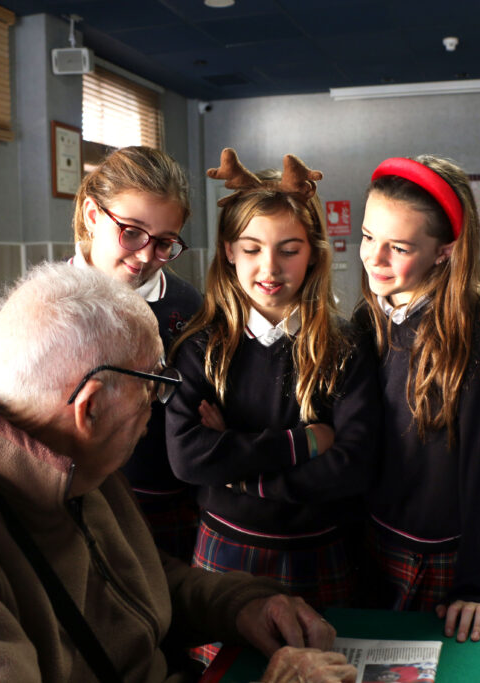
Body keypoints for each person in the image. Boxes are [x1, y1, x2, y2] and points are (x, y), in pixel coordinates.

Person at [0, 263, 355, 682]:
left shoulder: (62, 462)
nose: (156, 412)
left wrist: (245, 606)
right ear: (89, 406)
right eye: (154, 389)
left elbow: (136, 583)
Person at [166, 149, 380, 618]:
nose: (270, 268)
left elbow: (353, 466)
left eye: (290, 249)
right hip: (223, 556)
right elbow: (188, 457)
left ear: (313, 253)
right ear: (228, 252)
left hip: (320, 552)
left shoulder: (344, 345)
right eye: (252, 249)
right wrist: (306, 442)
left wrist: (236, 464)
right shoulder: (202, 347)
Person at [355, 156, 480, 642]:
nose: (374, 258)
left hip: (436, 559)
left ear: (444, 251)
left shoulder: (474, 333)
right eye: (368, 236)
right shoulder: (372, 317)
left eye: (399, 247)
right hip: (369, 540)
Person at [72, 145, 203, 561]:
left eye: (166, 242)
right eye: (131, 232)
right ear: (93, 215)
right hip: (67, 503)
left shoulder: (192, 310)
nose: (147, 256)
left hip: (167, 505)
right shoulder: (42, 300)